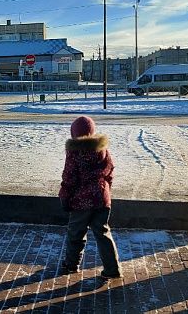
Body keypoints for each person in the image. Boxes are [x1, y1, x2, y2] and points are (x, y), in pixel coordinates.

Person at [58, 115, 122, 279]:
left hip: (81, 201)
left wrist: (64, 197)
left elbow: (69, 178)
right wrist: (105, 190)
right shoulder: (102, 148)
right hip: (101, 198)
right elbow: (110, 170)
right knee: (103, 233)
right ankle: (112, 269)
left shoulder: (74, 151)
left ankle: (71, 265)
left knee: (76, 234)